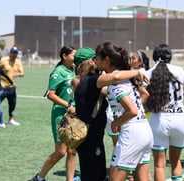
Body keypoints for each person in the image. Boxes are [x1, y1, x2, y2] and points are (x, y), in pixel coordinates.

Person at [72, 46, 149, 181]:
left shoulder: (80, 81)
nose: (96, 61)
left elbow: (111, 86)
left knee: (96, 174)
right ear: (90, 62)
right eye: (94, 59)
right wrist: (137, 72)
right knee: (95, 176)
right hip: (92, 137)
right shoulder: (92, 81)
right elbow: (116, 76)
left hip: (91, 136)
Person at [95, 42, 153, 181]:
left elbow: (132, 111)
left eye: (97, 57)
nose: (95, 61)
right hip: (145, 130)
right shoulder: (127, 78)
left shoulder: (116, 83)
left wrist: (116, 123)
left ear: (107, 60)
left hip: (131, 134)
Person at [145, 44, 184, 181]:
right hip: (179, 119)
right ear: (170, 56)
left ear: (154, 56)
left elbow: (143, 97)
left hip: (159, 120)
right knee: (175, 161)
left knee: (160, 165)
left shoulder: (148, 73)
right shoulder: (180, 71)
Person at [31, 46, 77, 181]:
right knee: (61, 152)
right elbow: (50, 94)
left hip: (74, 115)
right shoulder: (58, 72)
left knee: (72, 151)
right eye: (74, 55)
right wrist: (68, 105)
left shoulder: (75, 70)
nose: (76, 58)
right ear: (64, 56)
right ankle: (39, 178)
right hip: (61, 115)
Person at [0, 46, 24, 126]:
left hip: (12, 87)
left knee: (12, 104)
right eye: (13, 53)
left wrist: (17, 74)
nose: (15, 55)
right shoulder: (3, 60)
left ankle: (11, 119)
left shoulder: (18, 62)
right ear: (10, 53)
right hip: (2, 87)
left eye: (16, 53)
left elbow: (22, 73)